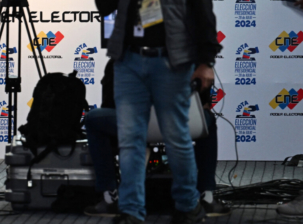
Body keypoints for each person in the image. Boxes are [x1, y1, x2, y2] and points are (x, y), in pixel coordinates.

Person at [94, 0, 222, 224]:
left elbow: (203, 12)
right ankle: (132, 211)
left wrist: (206, 61)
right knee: (131, 142)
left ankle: (186, 205)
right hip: (128, 63)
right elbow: (104, 5)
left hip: (171, 63)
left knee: (178, 139)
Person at [83, 61, 230, 218]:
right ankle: (206, 197)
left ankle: (110, 198)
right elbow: (203, 105)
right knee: (208, 121)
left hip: (136, 126)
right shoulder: (190, 60)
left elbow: (110, 105)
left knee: (94, 120)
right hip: (181, 125)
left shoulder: (119, 61)